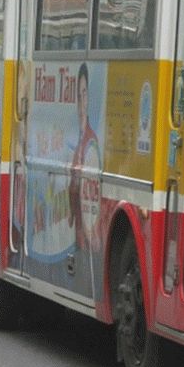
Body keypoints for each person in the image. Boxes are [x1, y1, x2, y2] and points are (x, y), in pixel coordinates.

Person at [68, 63, 100, 251]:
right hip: (78, 240)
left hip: (85, 244)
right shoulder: (76, 139)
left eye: (85, 94)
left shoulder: (91, 142)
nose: (82, 102)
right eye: (79, 96)